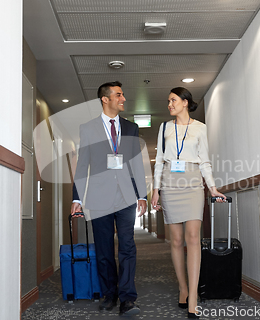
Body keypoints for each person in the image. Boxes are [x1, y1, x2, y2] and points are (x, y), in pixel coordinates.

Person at [71, 81, 147, 316]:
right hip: (98, 196)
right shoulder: (88, 128)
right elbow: (83, 164)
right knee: (104, 249)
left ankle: (127, 298)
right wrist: (77, 199)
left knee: (127, 247)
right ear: (105, 99)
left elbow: (137, 164)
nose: (123, 99)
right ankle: (109, 293)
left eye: (123, 95)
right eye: (119, 95)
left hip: (125, 196)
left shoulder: (131, 127)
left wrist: (142, 194)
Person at [151, 87, 225, 319]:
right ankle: (182, 287)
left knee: (193, 237)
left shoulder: (200, 128)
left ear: (185, 102)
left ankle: (193, 295)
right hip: (170, 183)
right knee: (176, 239)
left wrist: (211, 188)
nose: (169, 104)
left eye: (173, 100)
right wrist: (156, 190)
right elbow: (160, 162)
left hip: (193, 182)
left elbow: (205, 161)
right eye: (168, 101)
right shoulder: (164, 127)